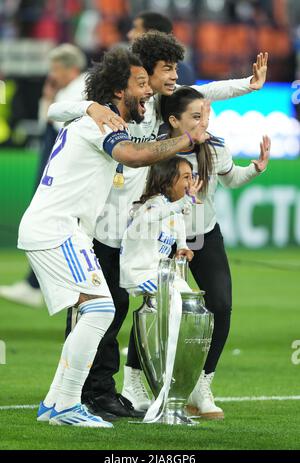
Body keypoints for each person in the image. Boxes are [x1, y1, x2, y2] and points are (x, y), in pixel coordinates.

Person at [48, 32, 268, 418]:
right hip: (99, 222)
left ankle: (100, 392)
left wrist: (246, 86)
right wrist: (89, 110)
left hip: (129, 227)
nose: (174, 77)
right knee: (101, 309)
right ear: (143, 73)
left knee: (115, 308)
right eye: (167, 69)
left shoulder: (158, 100)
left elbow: (204, 91)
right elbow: (55, 109)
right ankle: (80, 392)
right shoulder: (117, 102)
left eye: (175, 68)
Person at [17, 47, 209, 428]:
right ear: (119, 92)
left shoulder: (97, 119)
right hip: (58, 227)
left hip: (64, 229)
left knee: (96, 309)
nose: (147, 92)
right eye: (140, 84)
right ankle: (68, 404)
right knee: (101, 309)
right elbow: (133, 156)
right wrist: (184, 141)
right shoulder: (102, 124)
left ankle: (57, 401)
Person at [132, 85, 269, 419]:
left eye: (206, 115)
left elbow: (232, 178)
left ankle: (202, 385)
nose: (204, 121)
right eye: (196, 116)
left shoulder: (216, 147)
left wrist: (256, 168)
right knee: (153, 309)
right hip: (162, 238)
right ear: (174, 121)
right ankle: (134, 381)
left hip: (205, 236)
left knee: (221, 305)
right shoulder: (154, 151)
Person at [0, 44, 88, 308]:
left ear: (71, 68)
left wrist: (50, 102)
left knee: (55, 225)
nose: (52, 74)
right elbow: (47, 124)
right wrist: (48, 98)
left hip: (67, 169)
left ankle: (44, 285)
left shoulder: (79, 89)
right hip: (57, 160)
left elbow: (63, 129)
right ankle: (35, 283)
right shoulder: (66, 89)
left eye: (56, 69)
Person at [119, 156, 203, 295]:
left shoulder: (173, 207)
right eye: (186, 177)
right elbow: (151, 216)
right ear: (168, 182)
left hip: (159, 274)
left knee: (190, 299)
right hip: (140, 274)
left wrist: (182, 245)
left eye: (191, 177)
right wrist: (184, 202)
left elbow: (178, 222)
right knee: (174, 297)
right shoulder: (154, 203)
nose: (191, 183)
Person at [127, 11, 196, 86]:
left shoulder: (183, 73)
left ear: (151, 34)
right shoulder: (127, 67)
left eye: (136, 29)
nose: (129, 35)